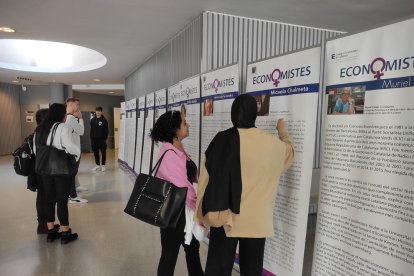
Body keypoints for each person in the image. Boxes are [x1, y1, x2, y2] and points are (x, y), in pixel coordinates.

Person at [195, 94, 295, 276]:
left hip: (225, 218)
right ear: (254, 114)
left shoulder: (221, 139)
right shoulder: (273, 144)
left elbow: (205, 178)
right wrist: (282, 130)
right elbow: (290, 152)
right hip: (257, 222)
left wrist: (199, 215)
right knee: (252, 271)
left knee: (217, 271)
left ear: (233, 114)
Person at [150, 110, 204, 276]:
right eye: (184, 122)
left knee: (192, 250)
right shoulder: (169, 154)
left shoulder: (177, 147)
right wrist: (200, 207)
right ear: (175, 130)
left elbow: (189, 176)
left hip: (183, 211)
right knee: (169, 256)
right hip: (173, 213)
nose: (188, 125)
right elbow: (183, 188)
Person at [34, 103, 80, 244]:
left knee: (49, 200)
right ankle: (65, 232)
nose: (66, 116)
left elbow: (37, 151)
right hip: (60, 170)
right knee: (61, 202)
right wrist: (76, 156)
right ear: (60, 114)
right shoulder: (61, 127)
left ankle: (51, 232)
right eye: (65, 113)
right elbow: (71, 147)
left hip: (44, 170)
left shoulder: (40, 129)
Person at [27, 108, 53, 234]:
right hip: (43, 170)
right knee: (45, 198)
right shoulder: (43, 133)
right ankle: (44, 225)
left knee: (43, 197)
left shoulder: (37, 132)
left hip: (38, 169)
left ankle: (46, 224)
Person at [65, 97, 88, 204]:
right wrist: (81, 118)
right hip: (73, 151)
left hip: (71, 149)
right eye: (77, 105)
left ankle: (75, 187)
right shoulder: (71, 118)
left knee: (73, 173)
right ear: (70, 105)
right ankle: (73, 196)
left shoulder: (67, 117)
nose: (78, 107)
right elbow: (82, 131)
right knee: (72, 173)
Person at [90, 106, 109, 172]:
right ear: (95, 111)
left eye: (99, 111)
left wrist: (104, 139)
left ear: (101, 112)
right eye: (97, 111)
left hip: (102, 140)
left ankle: (103, 165)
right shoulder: (92, 120)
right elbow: (91, 130)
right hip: (94, 140)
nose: (97, 112)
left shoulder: (104, 120)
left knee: (103, 153)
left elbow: (106, 131)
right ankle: (97, 165)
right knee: (96, 153)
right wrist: (92, 139)